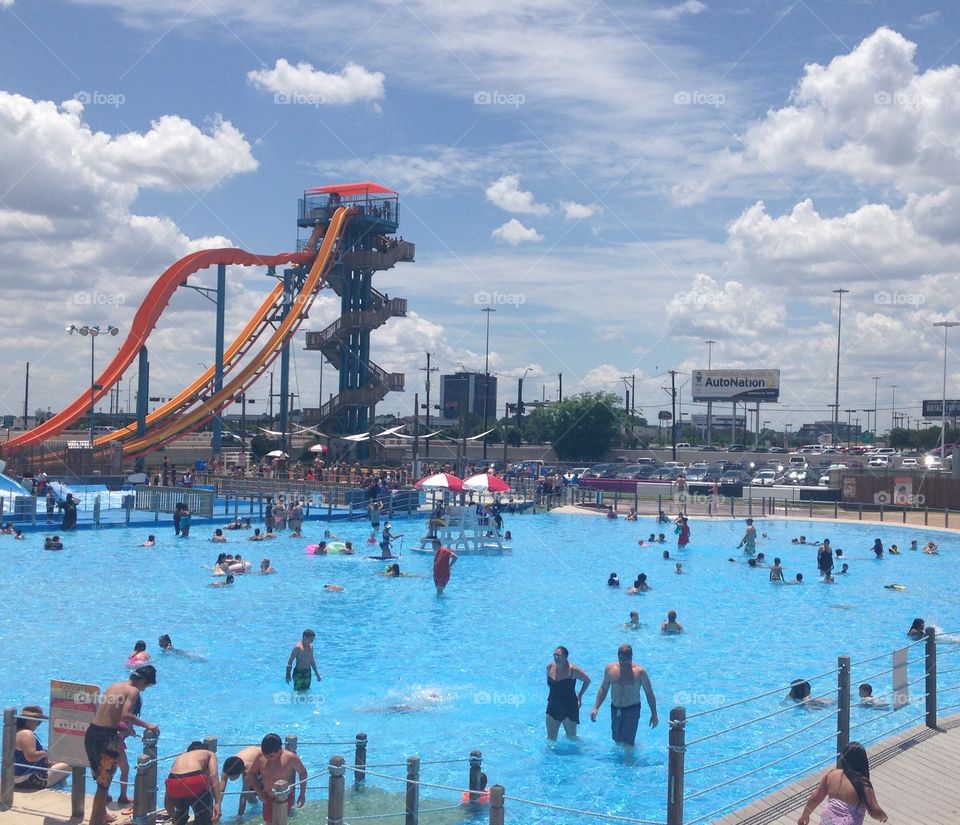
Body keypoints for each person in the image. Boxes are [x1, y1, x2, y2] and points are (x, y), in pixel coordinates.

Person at [85, 667, 159, 825]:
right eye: (147, 686)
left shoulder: (114, 686)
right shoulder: (133, 691)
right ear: (143, 681)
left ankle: (102, 816)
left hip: (92, 733)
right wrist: (148, 725)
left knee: (100, 781)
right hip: (106, 739)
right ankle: (94, 822)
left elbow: (109, 714)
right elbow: (125, 715)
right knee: (103, 785)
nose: (144, 689)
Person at [797, 741, 887, 825]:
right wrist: (883, 816)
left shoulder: (831, 775)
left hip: (828, 819)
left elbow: (815, 798)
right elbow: (874, 811)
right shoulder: (863, 784)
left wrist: (805, 816)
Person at [590, 644, 658, 746]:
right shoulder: (610, 669)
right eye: (621, 659)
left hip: (632, 709)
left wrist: (654, 714)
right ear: (618, 656)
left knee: (628, 743)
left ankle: (629, 760)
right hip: (615, 709)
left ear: (631, 657)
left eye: (626, 659)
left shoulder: (639, 672)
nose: (623, 662)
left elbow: (649, 693)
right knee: (617, 740)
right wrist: (595, 708)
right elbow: (603, 689)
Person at [246, 733, 307, 823]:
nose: (268, 758)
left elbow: (303, 773)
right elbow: (252, 773)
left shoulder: (290, 758)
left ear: (280, 750)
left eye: (271, 756)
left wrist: (302, 794)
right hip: (267, 797)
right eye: (265, 755)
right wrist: (259, 793)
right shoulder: (260, 756)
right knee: (268, 822)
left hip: (285, 797)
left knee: (279, 822)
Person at [163, 741, 221, 825]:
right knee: (203, 816)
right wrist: (217, 803)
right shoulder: (209, 753)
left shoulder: (180, 757)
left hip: (173, 782)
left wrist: (173, 817)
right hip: (194, 780)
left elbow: (170, 783)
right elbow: (213, 775)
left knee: (180, 813)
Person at [15, 706, 70, 789]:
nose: (38, 724)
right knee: (71, 764)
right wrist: (45, 753)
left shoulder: (17, 731)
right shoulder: (27, 734)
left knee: (57, 762)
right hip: (29, 779)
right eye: (38, 721)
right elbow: (31, 757)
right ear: (31, 720)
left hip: (18, 777)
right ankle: (57, 787)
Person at [545, 646, 592, 740]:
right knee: (550, 739)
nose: (556, 658)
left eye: (559, 655)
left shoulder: (573, 670)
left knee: (571, 738)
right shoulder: (549, 667)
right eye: (555, 655)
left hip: (569, 708)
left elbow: (587, 680)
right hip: (553, 706)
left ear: (566, 656)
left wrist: (580, 695)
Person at [220, 746, 262, 816]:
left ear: (239, 772)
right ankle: (256, 806)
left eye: (231, 777)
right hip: (251, 755)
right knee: (249, 793)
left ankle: (258, 810)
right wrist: (217, 807)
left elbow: (244, 795)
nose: (229, 779)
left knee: (251, 791)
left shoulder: (247, 768)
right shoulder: (227, 768)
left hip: (263, 759)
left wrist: (239, 817)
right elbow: (221, 791)